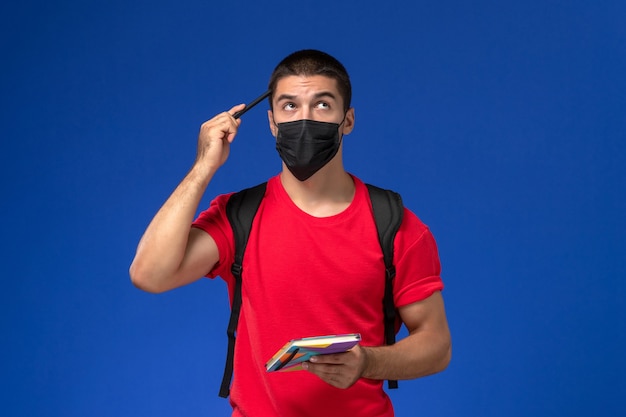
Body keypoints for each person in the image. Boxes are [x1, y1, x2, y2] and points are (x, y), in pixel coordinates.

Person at [130, 49, 451, 417]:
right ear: (271, 121)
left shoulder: (394, 224)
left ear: (348, 120)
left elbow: (437, 345)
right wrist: (204, 167)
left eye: (322, 105)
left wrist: (367, 362)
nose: (305, 118)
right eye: (289, 106)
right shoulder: (240, 217)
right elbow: (149, 274)